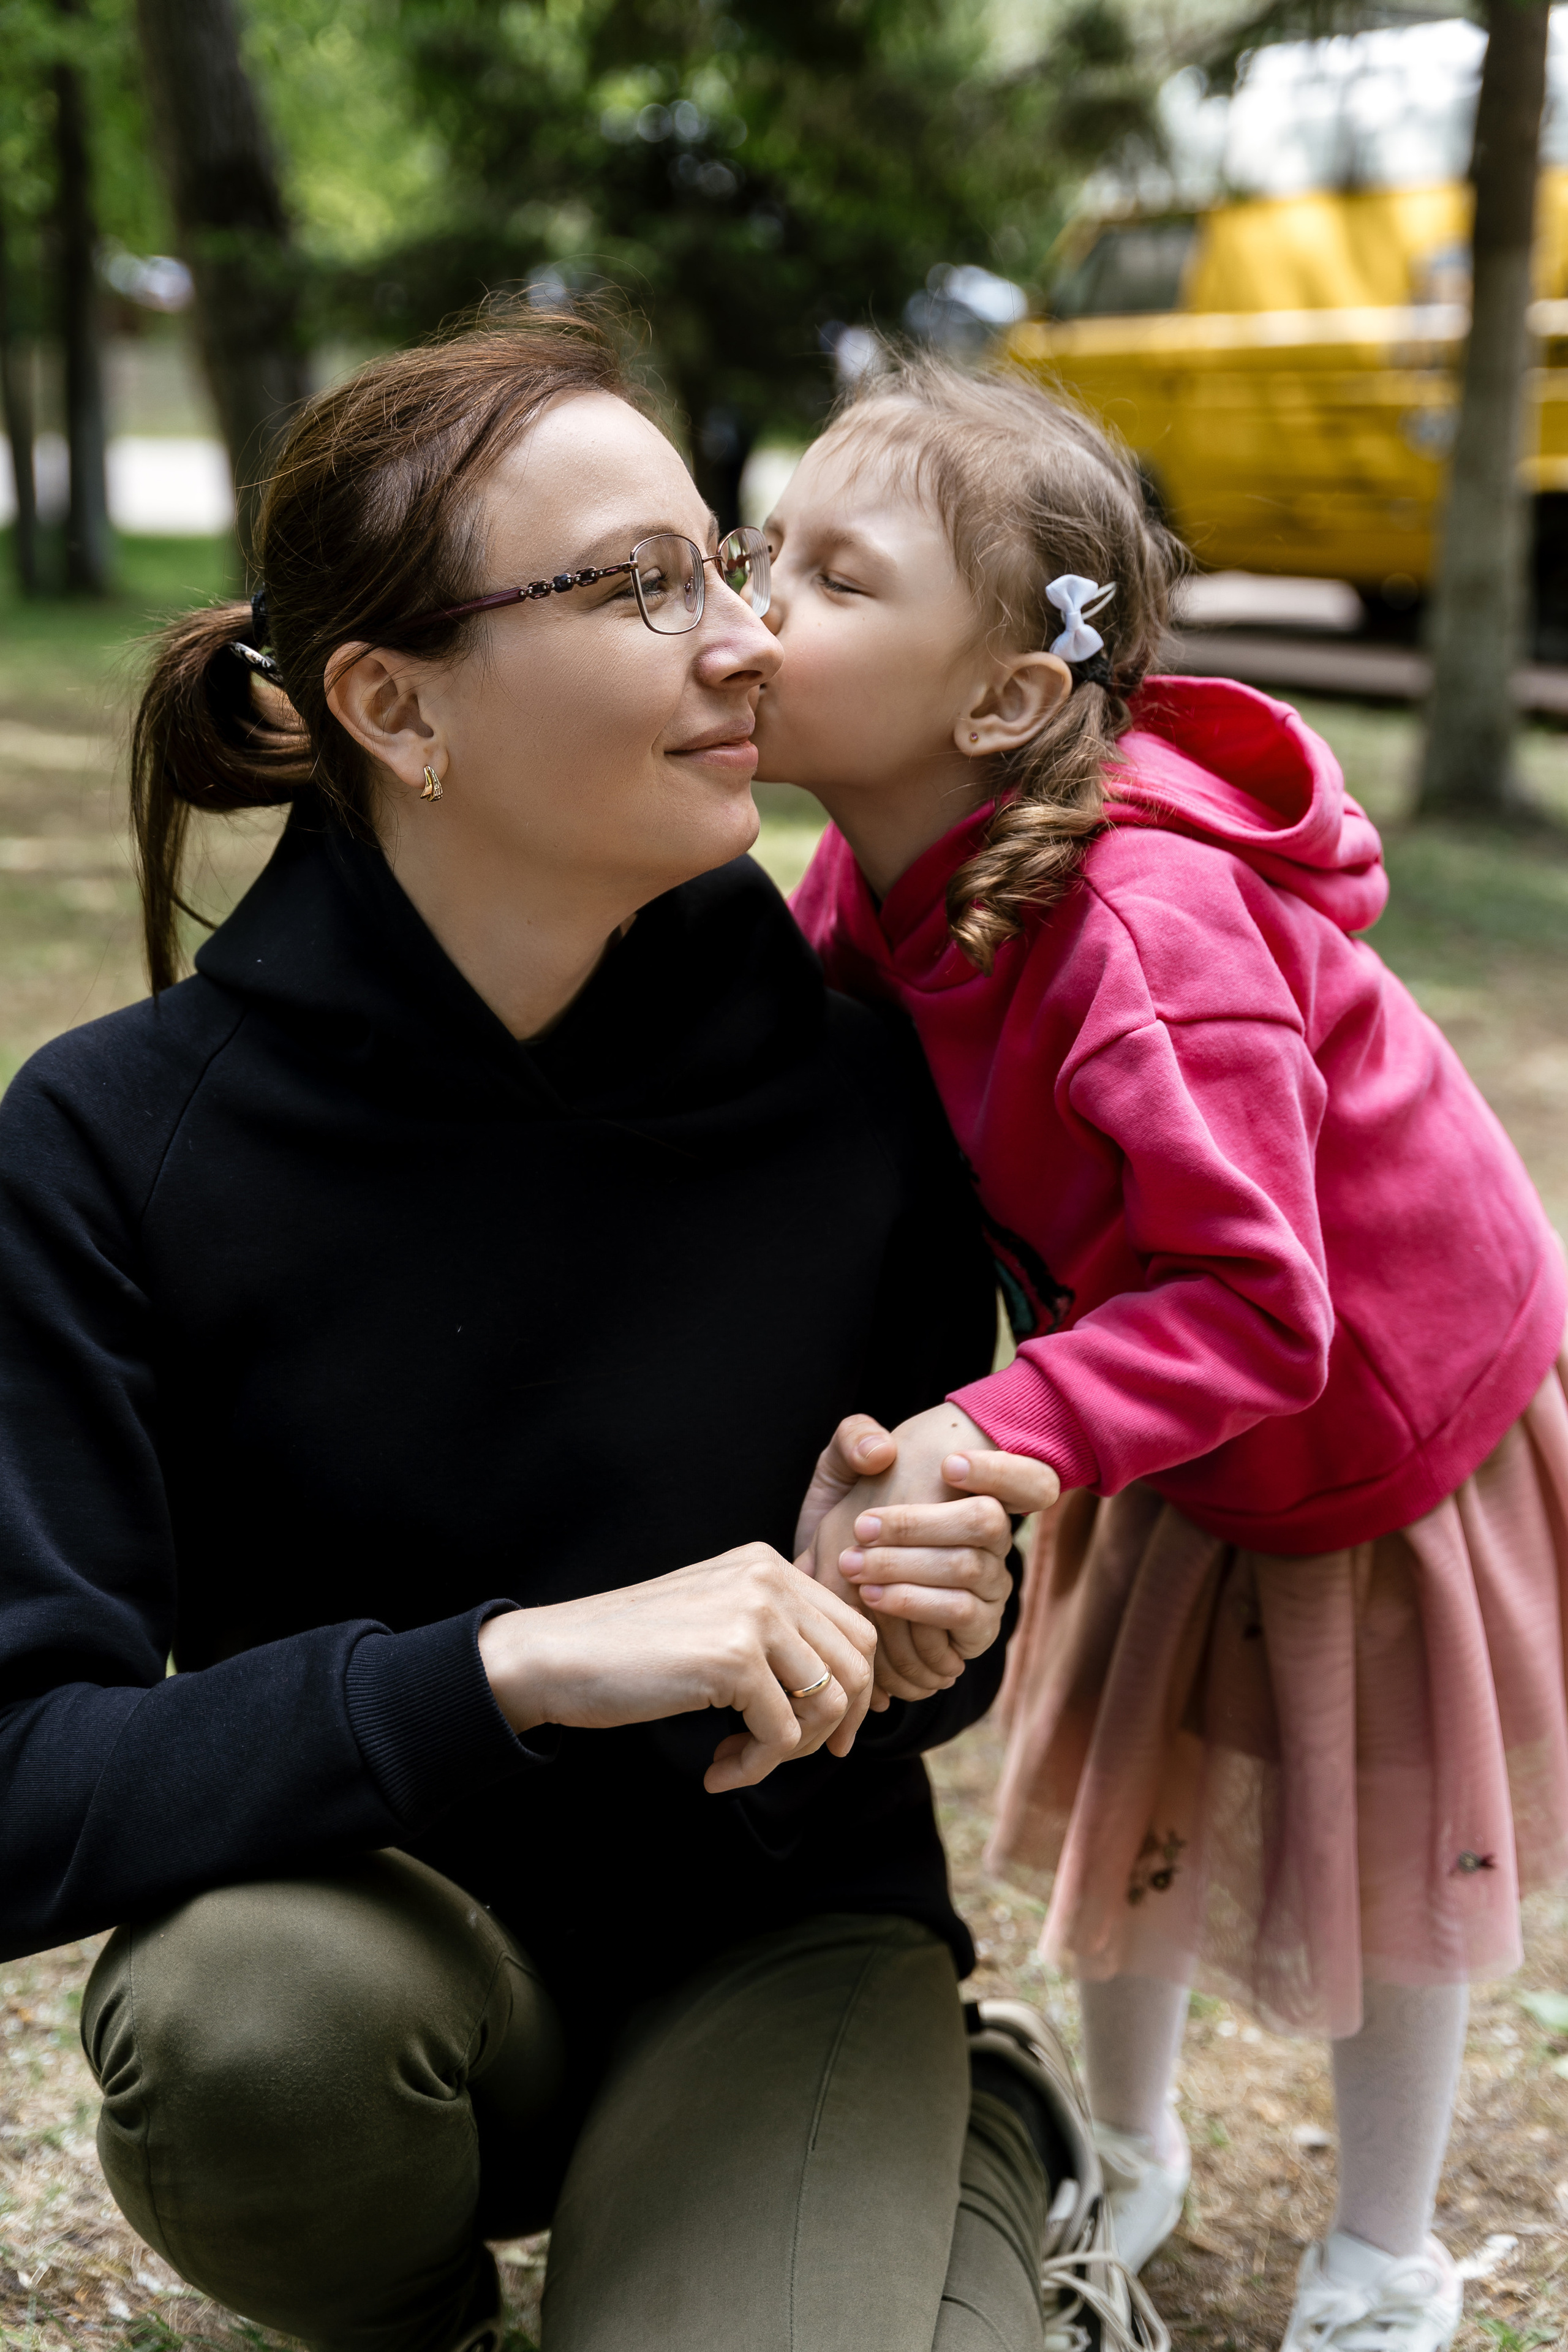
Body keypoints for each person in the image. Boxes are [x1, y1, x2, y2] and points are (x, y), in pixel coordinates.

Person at [0, 315, 1156, 2352]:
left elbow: (920, 1665)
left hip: (779, 1951)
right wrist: (518, 1668)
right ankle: (421, 2305)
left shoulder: (859, 1088)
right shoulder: (108, 1145)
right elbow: (24, 1784)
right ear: (394, 704)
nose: (744, 639)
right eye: (642, 586)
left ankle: (963, 2135)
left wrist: (919, 1616)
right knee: (244, 2025)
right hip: (381, 1959)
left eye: (726, 562)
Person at [760, 349, 1568, 2352]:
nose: (754, 600)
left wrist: (991, 1418)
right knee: (1141, 1789)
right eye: (763, 543)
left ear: (1005, 697)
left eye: (834, 577)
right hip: (1146, 1412)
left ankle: (1385, 2257)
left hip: (1365, 1429)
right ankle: (1128, 2150)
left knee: (1378, 1850)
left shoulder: (1150, 936)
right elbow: (773, 1104)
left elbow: (1266, 1307)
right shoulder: (868, 874)